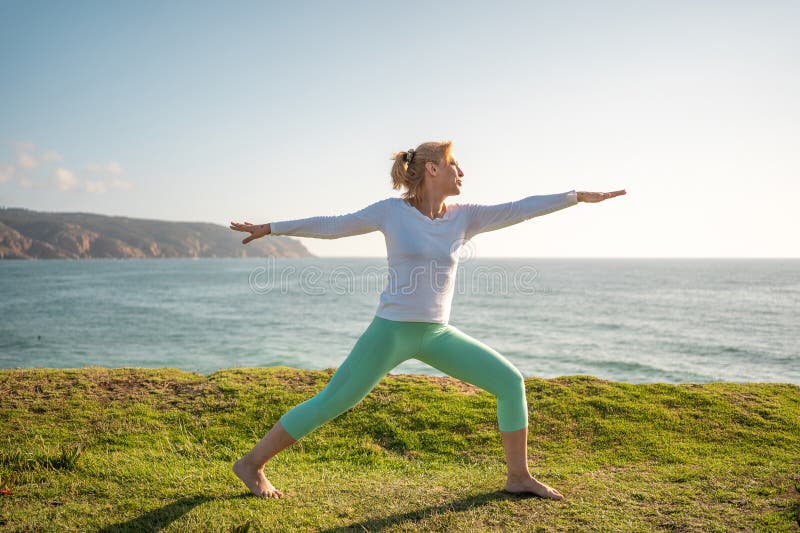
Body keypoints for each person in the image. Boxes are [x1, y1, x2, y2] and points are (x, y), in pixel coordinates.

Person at [229, 140, 626, 500]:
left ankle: (518, 476)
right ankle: (251, 464)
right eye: (456, 164)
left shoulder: (464, 217)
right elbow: (334, 226)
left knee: (510, 382)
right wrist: (272, 227)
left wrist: (573, 197)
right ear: (433, 168)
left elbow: (519, 209)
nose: (463, 173)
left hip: (436, 334)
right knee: (333, 400)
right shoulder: (391, 213)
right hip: (390, 332)